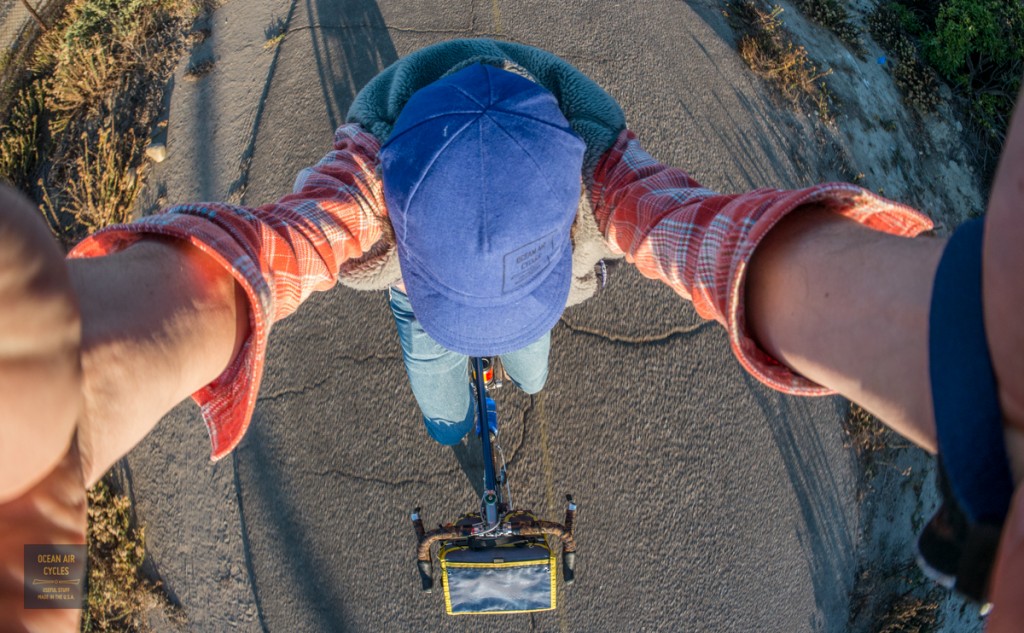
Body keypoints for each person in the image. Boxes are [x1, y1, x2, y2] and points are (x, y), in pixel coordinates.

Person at [1, 38, 1021, 630]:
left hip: (508, 291)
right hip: (478, 291)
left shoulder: (569, 187)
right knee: (453, 405)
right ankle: (471, 375)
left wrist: (83, 387)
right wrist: (966, 365)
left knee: (516, 371)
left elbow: (276, 251)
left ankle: (491, 347)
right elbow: (693, 237)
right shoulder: (414, 199)